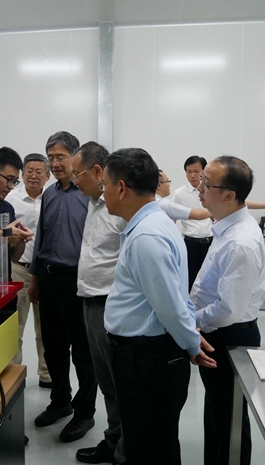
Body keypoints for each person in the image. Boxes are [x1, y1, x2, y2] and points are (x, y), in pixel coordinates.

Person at [102, 147, 216, 465]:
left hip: (146, 359)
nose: (102, 193)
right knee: (155, 440)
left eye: (104, 185)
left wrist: (191, 343)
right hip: (146, 356)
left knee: (149, 446)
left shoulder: (147, 236)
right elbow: (176, 296)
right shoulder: (154, 223)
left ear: (121, 188)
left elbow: (170, 306)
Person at [191, 156, 265, 465]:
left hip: (228, 337)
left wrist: (190, 321)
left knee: (230, 422)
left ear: (229, 195)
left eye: (206, 183)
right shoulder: (226, 227)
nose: (199, 188)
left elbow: (227, 309)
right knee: (216, 414)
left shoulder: (240, 242)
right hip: (218, 333)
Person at [28, 131, 97, 443]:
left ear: (75, 157)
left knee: (83, 351)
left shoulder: (90, 195)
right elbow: (40, 238)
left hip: (78, 282)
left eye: (60, 157)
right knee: (53, 347)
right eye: (50, 157)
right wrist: (35, 278)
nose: (54, 163)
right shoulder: (49, 194)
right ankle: (60, 402)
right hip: (48, 277)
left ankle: (85, 413)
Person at [71, 142, 127, 465]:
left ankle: (125, 452)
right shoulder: (93, 203)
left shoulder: (119, 207)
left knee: (120, 383)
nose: (74, 181)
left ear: (96, 171)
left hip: (111, 304)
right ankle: (113, 440)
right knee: (106, 381)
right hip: (89, 301)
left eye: (77, 174)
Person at [6, 153, 52, 388]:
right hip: (19, 269)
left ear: (48, 175)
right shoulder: (11, 199)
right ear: (22, 174)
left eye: (39, 172)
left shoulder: (53, 198)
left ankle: (47, 374)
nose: (34, 176)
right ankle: (15, 376)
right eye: (29, 172)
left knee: (47, 327)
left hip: (46, 272)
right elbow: (3, 232)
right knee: (16, 326)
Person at [171, 156, 214, 290]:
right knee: (189, 281)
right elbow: (172, 220)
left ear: (204, 171)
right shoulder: (179, 193)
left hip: (211, 243)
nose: (192, 175)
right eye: (188, 172)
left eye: (196, 171)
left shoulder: (212, 191)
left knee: (210, 281)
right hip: (190, 244)